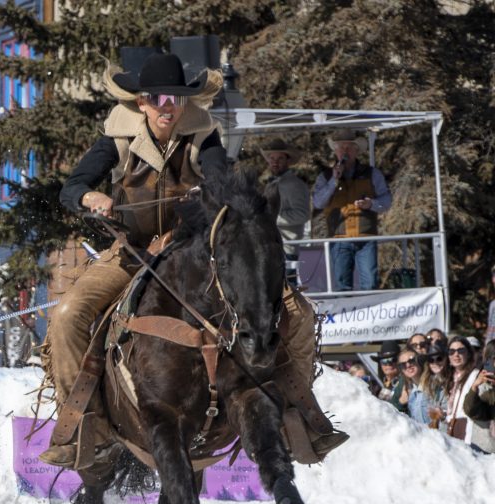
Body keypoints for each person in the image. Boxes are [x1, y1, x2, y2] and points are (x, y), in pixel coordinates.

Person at [41, 51, 345, 469]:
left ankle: (300, 416)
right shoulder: (117, 135)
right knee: (67, 315)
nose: (169, 109)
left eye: (177, 100)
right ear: (140, 102)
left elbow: (222, 183)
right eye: (159, 100)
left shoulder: (205, 135)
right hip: (131, 255)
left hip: (194, 256)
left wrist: (211, 195)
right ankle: (81, 424)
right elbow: (71, 188)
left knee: (299, 312)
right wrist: (90, 196)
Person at [312, 130, 392, 291]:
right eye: (341, 148)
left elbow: (387, 201)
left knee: (369, 285)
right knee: (342, 287)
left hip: (366, 238)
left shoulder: (372, 174)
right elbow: (318, 203)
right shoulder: (325, 176)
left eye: (349, 147)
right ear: (335, 151)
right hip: (339, 239)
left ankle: (370, 315)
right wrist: (334, 181)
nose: (345, 151)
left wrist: (371, 204)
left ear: (356, 151)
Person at [260, 138, 311, 286]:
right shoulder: (272, 183)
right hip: (271, 245)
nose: (275, 162)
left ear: (288, 160)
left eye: (280, 158)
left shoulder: (294, 184)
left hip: (286, 245)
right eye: (272, 158)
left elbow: (303, 214)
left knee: (287, 288)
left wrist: (271, 218)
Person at [444, 336, 480, 444]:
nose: (456, 354)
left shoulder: (476, 375)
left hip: (469, 428)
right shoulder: (450, 377)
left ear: (468, 353)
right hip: (453, 427)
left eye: (461, 350)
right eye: (451, 351)